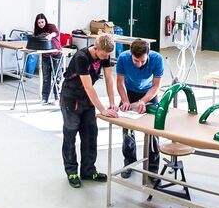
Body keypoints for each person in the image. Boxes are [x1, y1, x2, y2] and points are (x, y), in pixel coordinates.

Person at [60, 35, 119, 188]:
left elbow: (108, 78)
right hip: (71, 98)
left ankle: (88, 170)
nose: (106, 57)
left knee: (90, 134)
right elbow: (88, 86)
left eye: (108, 55)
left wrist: (112, 103)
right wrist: (102, 109)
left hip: (87, 100)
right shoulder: (81, 58)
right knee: (70, 134)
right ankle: (72, 171)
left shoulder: (104, 54)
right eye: (103, 55)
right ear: (95, 47)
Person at [115, 40, 170, 187]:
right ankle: (129, 164)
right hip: (130, 93)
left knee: (153, 132)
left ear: (148, 55)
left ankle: (152, 170)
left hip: (149, 94)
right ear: (131, 54)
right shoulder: (123, 58)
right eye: (135, 60)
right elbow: (120, 83)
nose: (138, 64)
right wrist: (125, 101)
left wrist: (143, 101)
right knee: (127, 132)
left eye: (142, 61)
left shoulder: (157, 59)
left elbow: (156, 85)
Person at [34, 13, 64, 105]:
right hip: (45, 55)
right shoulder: (37, 31)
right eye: (39, 23)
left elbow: (56, 32)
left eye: (42, 22)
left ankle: (57, 97)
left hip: (56, 54)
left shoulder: (51, 26)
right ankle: (45, 98)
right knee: (46, 78)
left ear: (45, 21)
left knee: (57, 77)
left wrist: (51, 35)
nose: (41, 24)